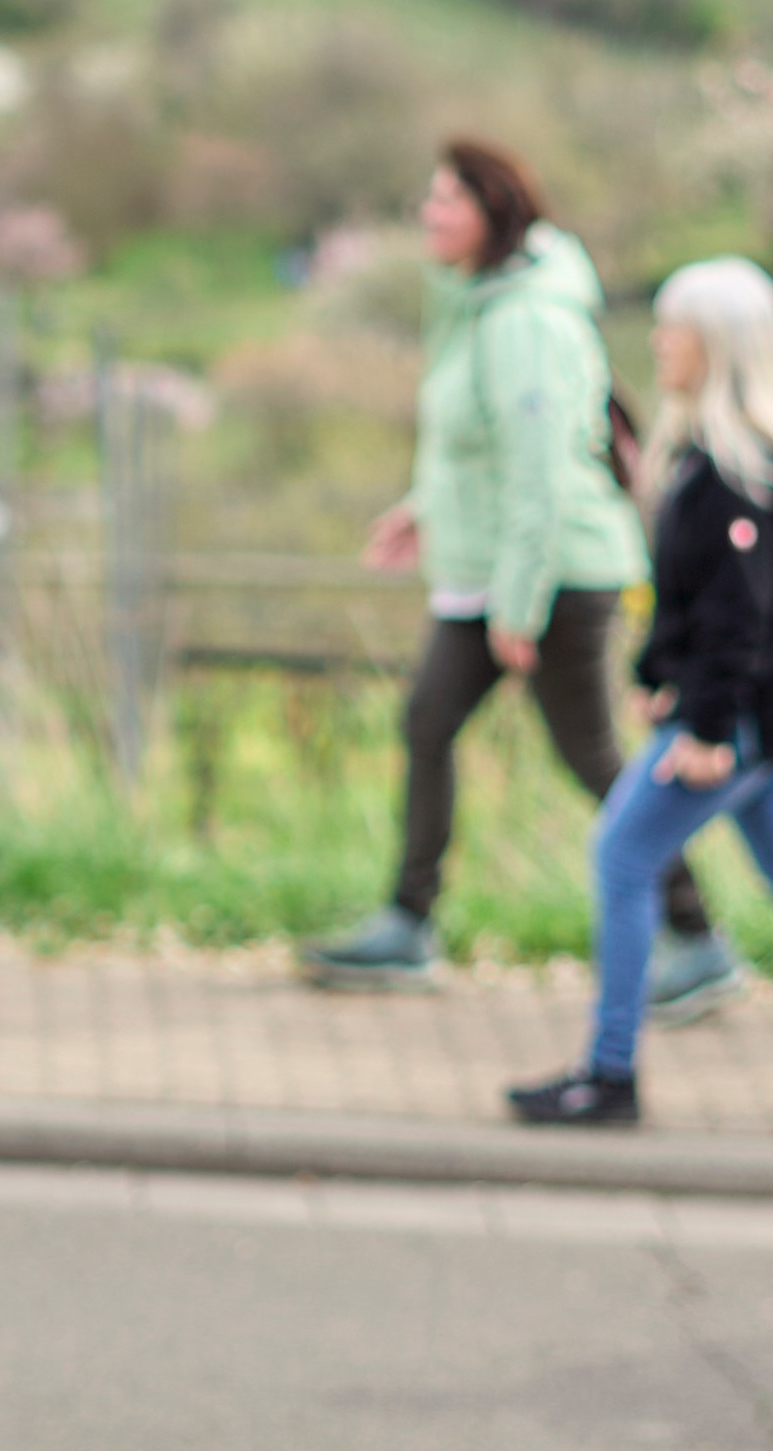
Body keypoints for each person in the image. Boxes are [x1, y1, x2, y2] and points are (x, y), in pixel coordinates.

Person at [302, 141, 737, 1020]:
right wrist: (423, 506)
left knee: (591, 757)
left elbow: (540, 470)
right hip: (490, 568)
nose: (428, 215)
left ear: (491, 214)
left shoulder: (526, 321)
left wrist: (520, 604)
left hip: (553, 575)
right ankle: (408, 922)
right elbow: (476, 442)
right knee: (428, 723)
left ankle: (696, 940)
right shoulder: (479, 304)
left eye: (445, 201)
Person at [510, 260, 773, 1125]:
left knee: (622, 858)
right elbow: (700, 606)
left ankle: (609, 1075)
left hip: (733, 725)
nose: (660, 343)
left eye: (675, 329)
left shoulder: (738, 472)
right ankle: (608, 1069)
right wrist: (659, 678)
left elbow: (742, 617)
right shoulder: (722, 456)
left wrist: (702, 722)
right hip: (760, 722)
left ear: (718, 346)